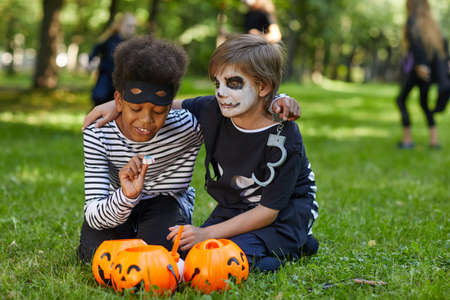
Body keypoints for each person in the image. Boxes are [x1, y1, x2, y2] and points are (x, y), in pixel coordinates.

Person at [166, 34, 318, 272]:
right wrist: (119, 104)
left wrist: (205, 233)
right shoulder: (212, 109)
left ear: (263, 86)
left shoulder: (285, 135)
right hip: (236, 208)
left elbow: (268, 212)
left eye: (233, 83)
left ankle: (295, 246)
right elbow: (166, 106)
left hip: (282, 218)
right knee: (191, 252)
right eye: (217, 83)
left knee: (224, 261)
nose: (221, 92)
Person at [77, 35, 203, 263]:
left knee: (162, 258)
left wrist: (276, 100)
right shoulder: (98, 133)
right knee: (94, 256)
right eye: (135, 108)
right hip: (118, 201)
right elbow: (94, 213)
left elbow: (231, 106)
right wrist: (127, 196)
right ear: (119, 100)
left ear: (171, 104)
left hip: (166, 201)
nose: (146, 121)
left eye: (158, 111)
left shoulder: (188, 126)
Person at [396, 0, 450, 149]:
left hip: (419, 70)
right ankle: (434, 141)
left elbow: (415, 44)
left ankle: (407, 140)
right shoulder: (433, 25)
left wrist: (420, 65)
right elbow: (443, 48)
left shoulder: (412, 21)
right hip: (428, 72)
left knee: (401, 100)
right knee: (424, 104)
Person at [88, 13, 136, 106]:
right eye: (129, 26)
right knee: (100, 98)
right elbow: (96, 49)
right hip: (105, 78)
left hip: (121, 81)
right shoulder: (110, 40)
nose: (131, 29)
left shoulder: (132, 44)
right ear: (120, 26)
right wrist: (92, 60)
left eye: (133, 27)